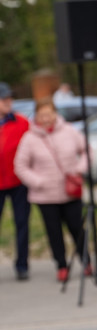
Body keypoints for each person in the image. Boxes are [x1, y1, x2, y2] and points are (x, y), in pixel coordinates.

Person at [14, 98, 90, 282]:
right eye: (42, 115)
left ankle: (86, 261)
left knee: (77, 228)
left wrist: (80, 169)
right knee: (54, 233)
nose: (46, 119)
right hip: (45, 196)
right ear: (37, 116)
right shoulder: (29, 138)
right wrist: (37, 181)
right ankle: (61, 266)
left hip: (70, 193)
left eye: (49, 114)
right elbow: (20, 166)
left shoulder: (70, 131)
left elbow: (88, 150)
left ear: (56, 114)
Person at [0, 82, 31, 280]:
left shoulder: (21, 122)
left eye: (10, 98)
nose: (9, 102)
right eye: (5, 99)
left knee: (22, 223)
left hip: (19, 183)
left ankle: (22, 265)